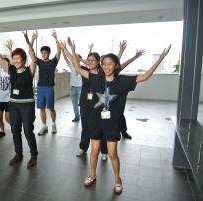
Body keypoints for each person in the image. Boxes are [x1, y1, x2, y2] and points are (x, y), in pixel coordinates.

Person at [67, 37, 171, 193]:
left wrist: (161, 59)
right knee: (94, 151)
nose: (106, 67)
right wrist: (73, 50)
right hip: (96, 121)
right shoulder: (97, 78)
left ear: (116, 65)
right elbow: (78, 67)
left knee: (112, 154)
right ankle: (92, 174)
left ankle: (117, 179)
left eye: (110, 64)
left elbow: (145, 76)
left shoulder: (123, 81)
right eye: (104, 64)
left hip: (112, 124)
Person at [0, 31, 38, 168]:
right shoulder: (11, 70)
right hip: (14, 105)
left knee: (28, 131)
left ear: (23, 60)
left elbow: (33, 59)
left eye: (18, 58)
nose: (15, 60)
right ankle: (18, 154)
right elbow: (0, 60)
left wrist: (28, 41)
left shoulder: (29, 70)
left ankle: (33, 155)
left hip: (27, 106)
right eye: (13, 58)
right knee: (15, 131)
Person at [31, 30, 61, 135]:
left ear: (48, 53)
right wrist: (33, 39)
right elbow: (31, 53)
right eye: (42, 53)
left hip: (49, 88)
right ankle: (44, 126)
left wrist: (56, 38)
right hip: (40, 88)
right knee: (41, 108)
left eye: (45, 53)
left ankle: (53, 124)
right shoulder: (39, 62)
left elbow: (59, 51)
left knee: (51, 108)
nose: (43, 55)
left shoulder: (53, 62)